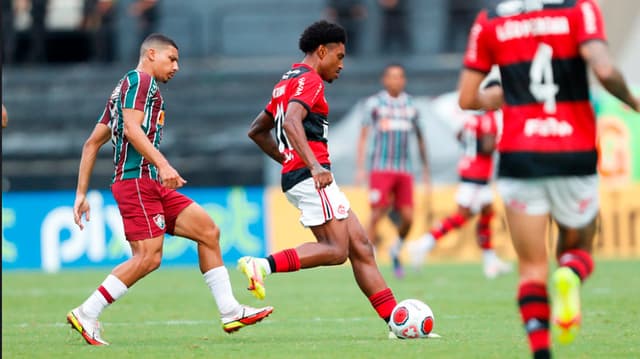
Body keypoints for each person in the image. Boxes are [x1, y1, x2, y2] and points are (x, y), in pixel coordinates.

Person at [457, 1, 640, 358]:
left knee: (531, 266)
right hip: (574, 150)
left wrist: (506, 93)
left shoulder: (491, 20)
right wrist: (633, 102)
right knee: (578, 249)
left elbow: (468, 98)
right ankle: (570, 274)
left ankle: (542, 352)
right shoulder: (579, 9)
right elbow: (603, 70)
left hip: (520, 156)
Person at [66, 33, 272, 346]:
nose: (176, 66)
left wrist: (81, 194)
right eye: (171, 58)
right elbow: (132, 130)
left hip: (149, 182)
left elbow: (92, 142)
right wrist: (163, 164)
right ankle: (87, 312)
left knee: (208, 231)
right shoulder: (140, 82)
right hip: (137, 181)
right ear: (151, 54)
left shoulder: (122, 89)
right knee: (148, 257)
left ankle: (230, 311)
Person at [242, 20, 399, 335]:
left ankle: (397, 322)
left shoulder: (286, 81)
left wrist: (287, 159)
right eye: (339, 57)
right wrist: (313, 165)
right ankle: (262, 265)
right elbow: (291, 123)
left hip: (301, 173)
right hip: (311, 176)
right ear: (322, 51)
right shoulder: (310, 80)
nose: (341, 65)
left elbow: (257, 130)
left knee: (362, 248)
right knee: (336, 250)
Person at [411, 102, 512, 279]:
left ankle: (490, 261)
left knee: (488, 213)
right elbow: (488, 147)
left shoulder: (472, 118)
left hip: (471, 169)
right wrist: (501, 143)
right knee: (461, 216)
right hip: (477, 173)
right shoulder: (489, 119)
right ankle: (423, 244)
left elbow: (459, 135)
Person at [355, 63, 430, 278]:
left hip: (404, 169)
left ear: (404, 80)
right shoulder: (374, 104)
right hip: (381, 168)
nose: (396, 80)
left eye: (399, 77)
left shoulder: (411, 106)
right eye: (392, 77)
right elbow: (363, 135)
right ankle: (370, 261)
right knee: (377, 212)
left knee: (408, 217)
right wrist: (360, 167)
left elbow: (421, 138)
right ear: (385, 80)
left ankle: (396, 248)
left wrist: (425, 169)